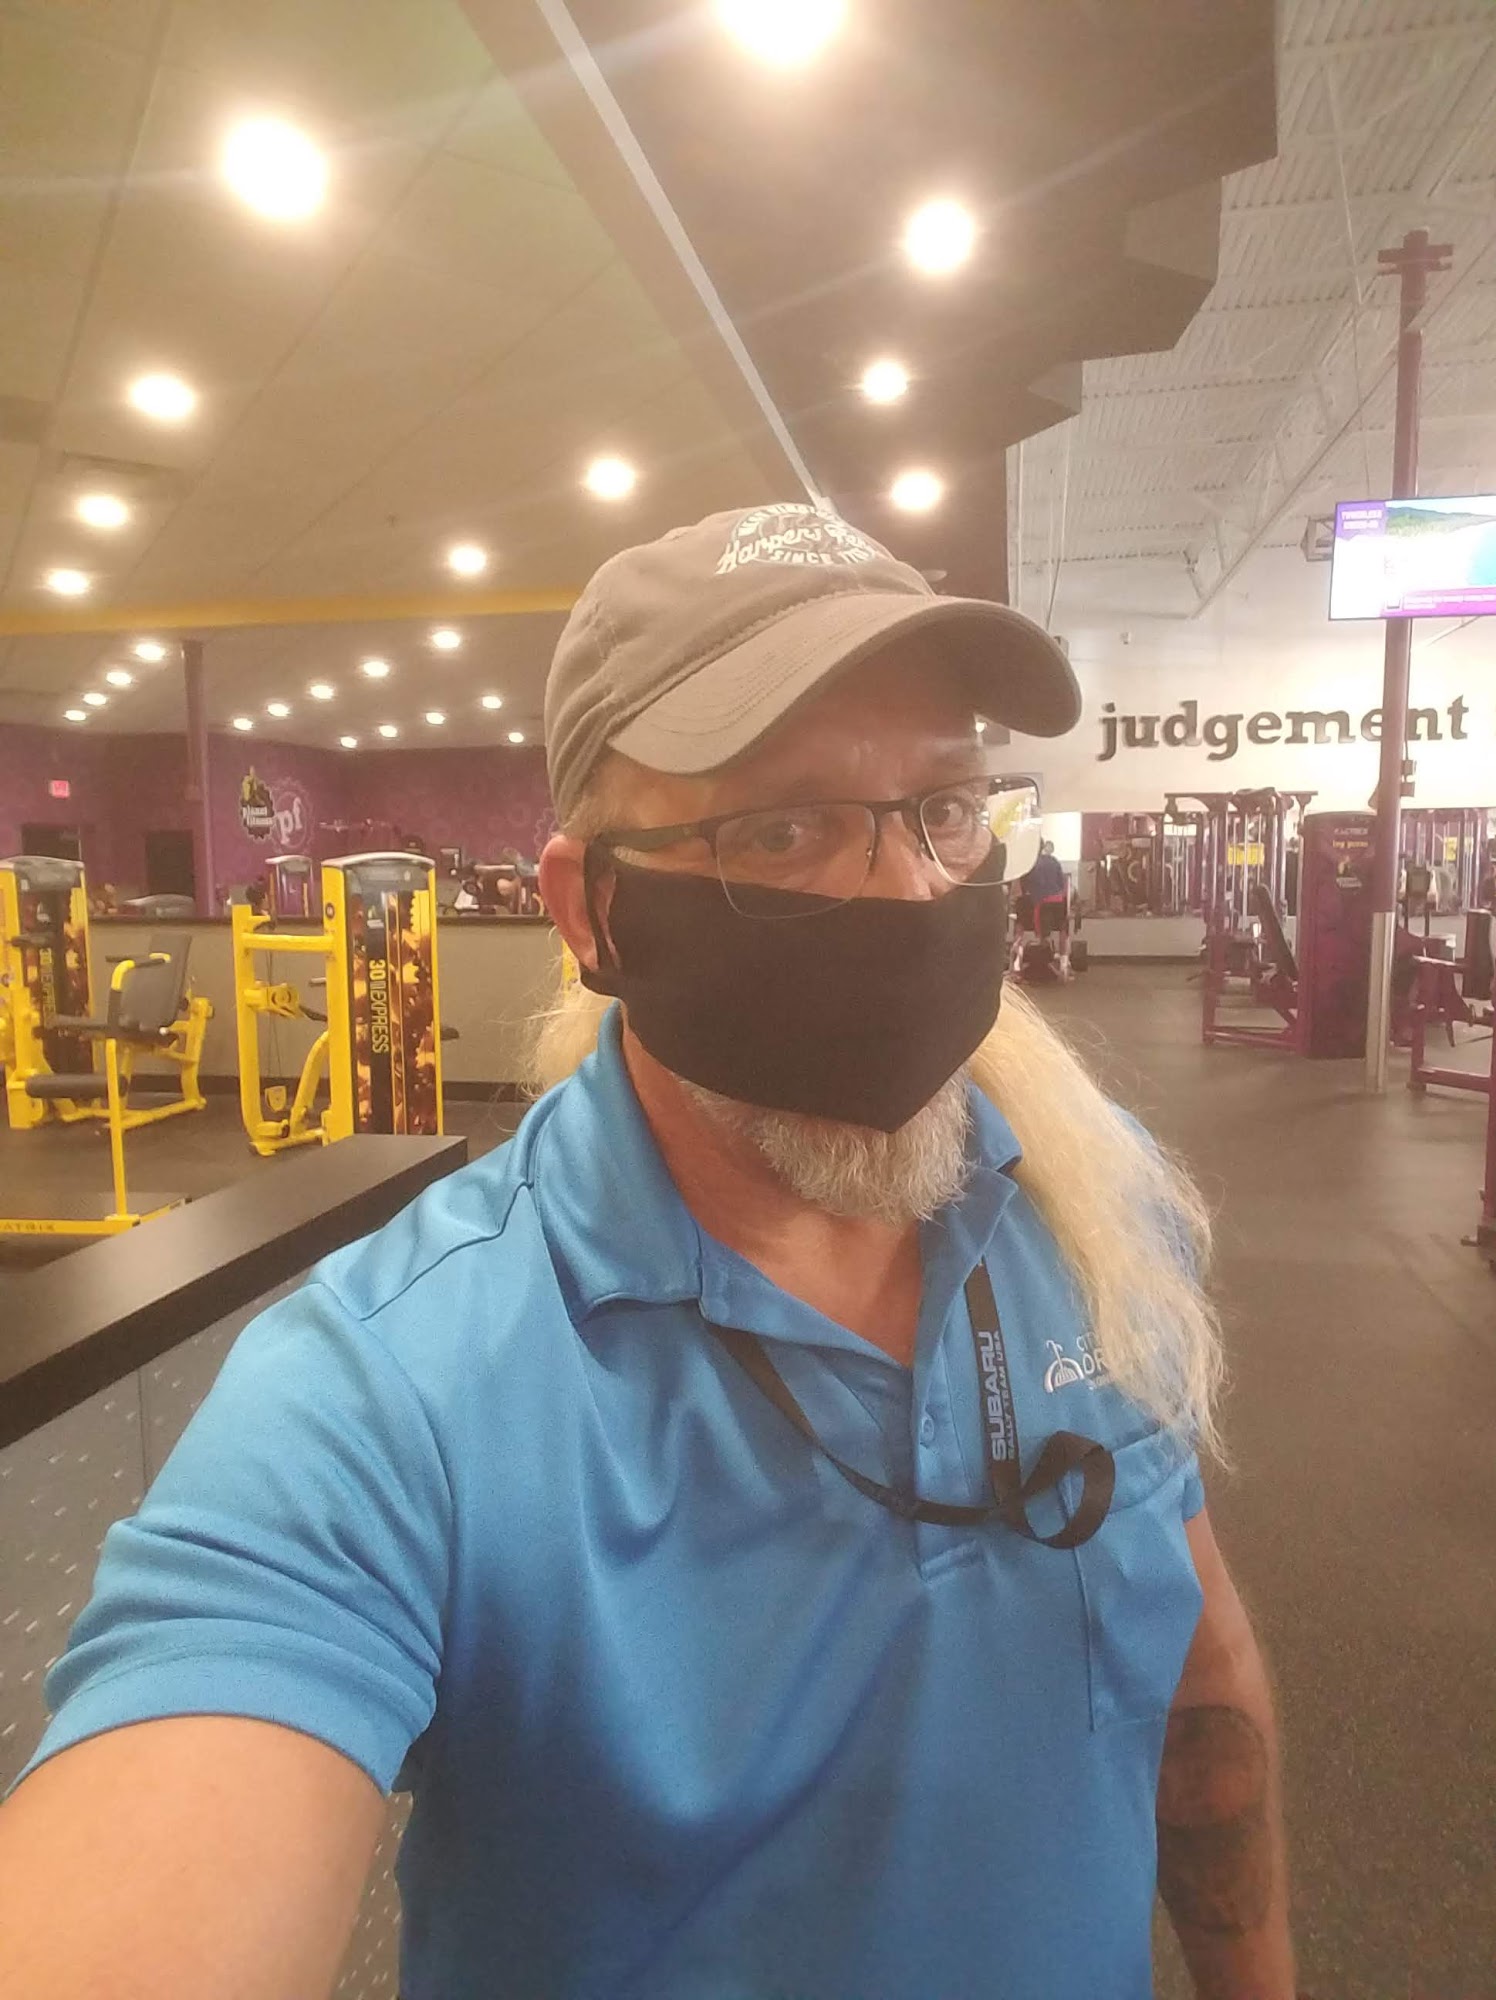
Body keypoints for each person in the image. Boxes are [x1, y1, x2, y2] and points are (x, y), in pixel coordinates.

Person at [0, 503, 1298, 2000]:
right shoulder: (395, 1386)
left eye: (945, 807)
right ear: (593, 912)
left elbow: (1195, 1664)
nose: (909, 891)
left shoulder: (1092, 1194)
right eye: (783, 828)